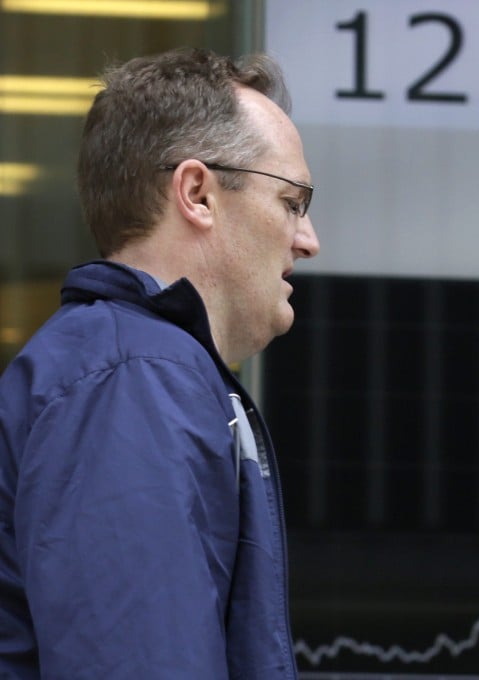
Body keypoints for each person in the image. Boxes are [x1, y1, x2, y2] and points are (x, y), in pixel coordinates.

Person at [0, 47, 320, 678]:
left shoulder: (123, 365)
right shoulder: (134, 380)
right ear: (197, 192)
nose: (308, 240)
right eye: (293, 201)